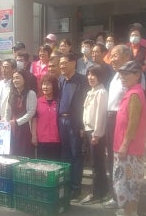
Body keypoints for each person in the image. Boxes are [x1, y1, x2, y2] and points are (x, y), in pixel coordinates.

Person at [109, 60, 146, 216]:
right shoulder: (134, 92)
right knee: (132, 182)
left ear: (137, 75)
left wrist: (124, 145)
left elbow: (133, 123)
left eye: (126, 74)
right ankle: (132, 212)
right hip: (133, 148)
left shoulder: (134, 95)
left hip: (127, 148)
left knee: (122, 182)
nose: (122, 77)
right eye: (121, 74)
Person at [102, 43, 134, 209]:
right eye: (111, 55)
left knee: (121, 159)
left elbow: (134, 101)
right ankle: (115, 195)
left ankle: (124, 198)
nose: (112, 59)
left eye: (115, 55)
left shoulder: (133, 76)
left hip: (121, 119)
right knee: (111, 158)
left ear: (127, 56)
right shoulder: (116, 75)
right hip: (110, 118)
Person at [57, 52, 88, 199]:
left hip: (75, 122)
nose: (62, 66)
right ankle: (66, 185)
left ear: (73, 63)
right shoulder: (60, 80)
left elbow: (85, 104)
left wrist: (82, 125)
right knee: (65, 154)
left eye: (64, 63)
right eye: (60, 64)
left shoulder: (82, 80)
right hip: (61, 121)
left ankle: (76, 187)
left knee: (76, 155)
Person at [79, 65, 109, 204]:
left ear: (100, 77)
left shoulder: (101, 92)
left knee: (96, 164)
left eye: (93, 75)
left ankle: (96, 193)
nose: (90, 77)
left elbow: (100, 115)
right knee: (95, 163)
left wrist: (97, 134)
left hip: (95, 132)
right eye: (89, 74)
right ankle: (102, 191)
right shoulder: (92, 91)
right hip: (89, 130)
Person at [6, 69, 37, 157]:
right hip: (12, 127)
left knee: (24, 153)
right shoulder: (11, 94)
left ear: (24, 79)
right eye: (13, 78)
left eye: (18, 78)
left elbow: (31, 112)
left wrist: (17, 122)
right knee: (12, 152)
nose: (15, 80)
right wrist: (6, 122)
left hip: (25, 128)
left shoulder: (31, 93)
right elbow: (7, 110)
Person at [34, 76, 61, 161]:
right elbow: (34, 120)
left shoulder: (59, 101)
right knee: (43, 164)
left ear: (54, 86)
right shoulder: (37, 101)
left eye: (48, 84)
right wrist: (34, 136)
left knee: (56, 164)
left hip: (57, 139)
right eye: (43, 84)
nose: (45, 87)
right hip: (42, 139)